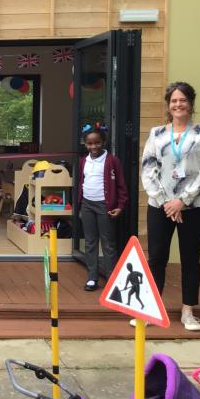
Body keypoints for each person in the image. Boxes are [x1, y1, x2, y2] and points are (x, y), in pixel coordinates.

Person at [141, 81, 200, 332]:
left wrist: (182, 200)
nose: (178, 104)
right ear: (168, 105)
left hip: (194, 207)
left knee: (190, 258)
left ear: (191, 103)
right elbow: (148, 169)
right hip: (160, 206)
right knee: (157, 258)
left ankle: (188, 312)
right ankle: (152, 310)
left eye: (182, 100)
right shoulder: (157, 134)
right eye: (173, 101)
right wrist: (167, 202)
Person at [77, 124, 128, 291]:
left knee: (108, 243)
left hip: (104, 206)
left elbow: (121, 185)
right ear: (85, 144)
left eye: (97, 143)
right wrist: (79, 205)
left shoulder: (112, 161)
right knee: (90, 242)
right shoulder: (84, 161)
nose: (93, 147)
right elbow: (80, 183)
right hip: (87, 204)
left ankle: (112, 278)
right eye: (90, 144)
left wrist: (120, 205)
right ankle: (92, 277)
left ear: (103, 142)